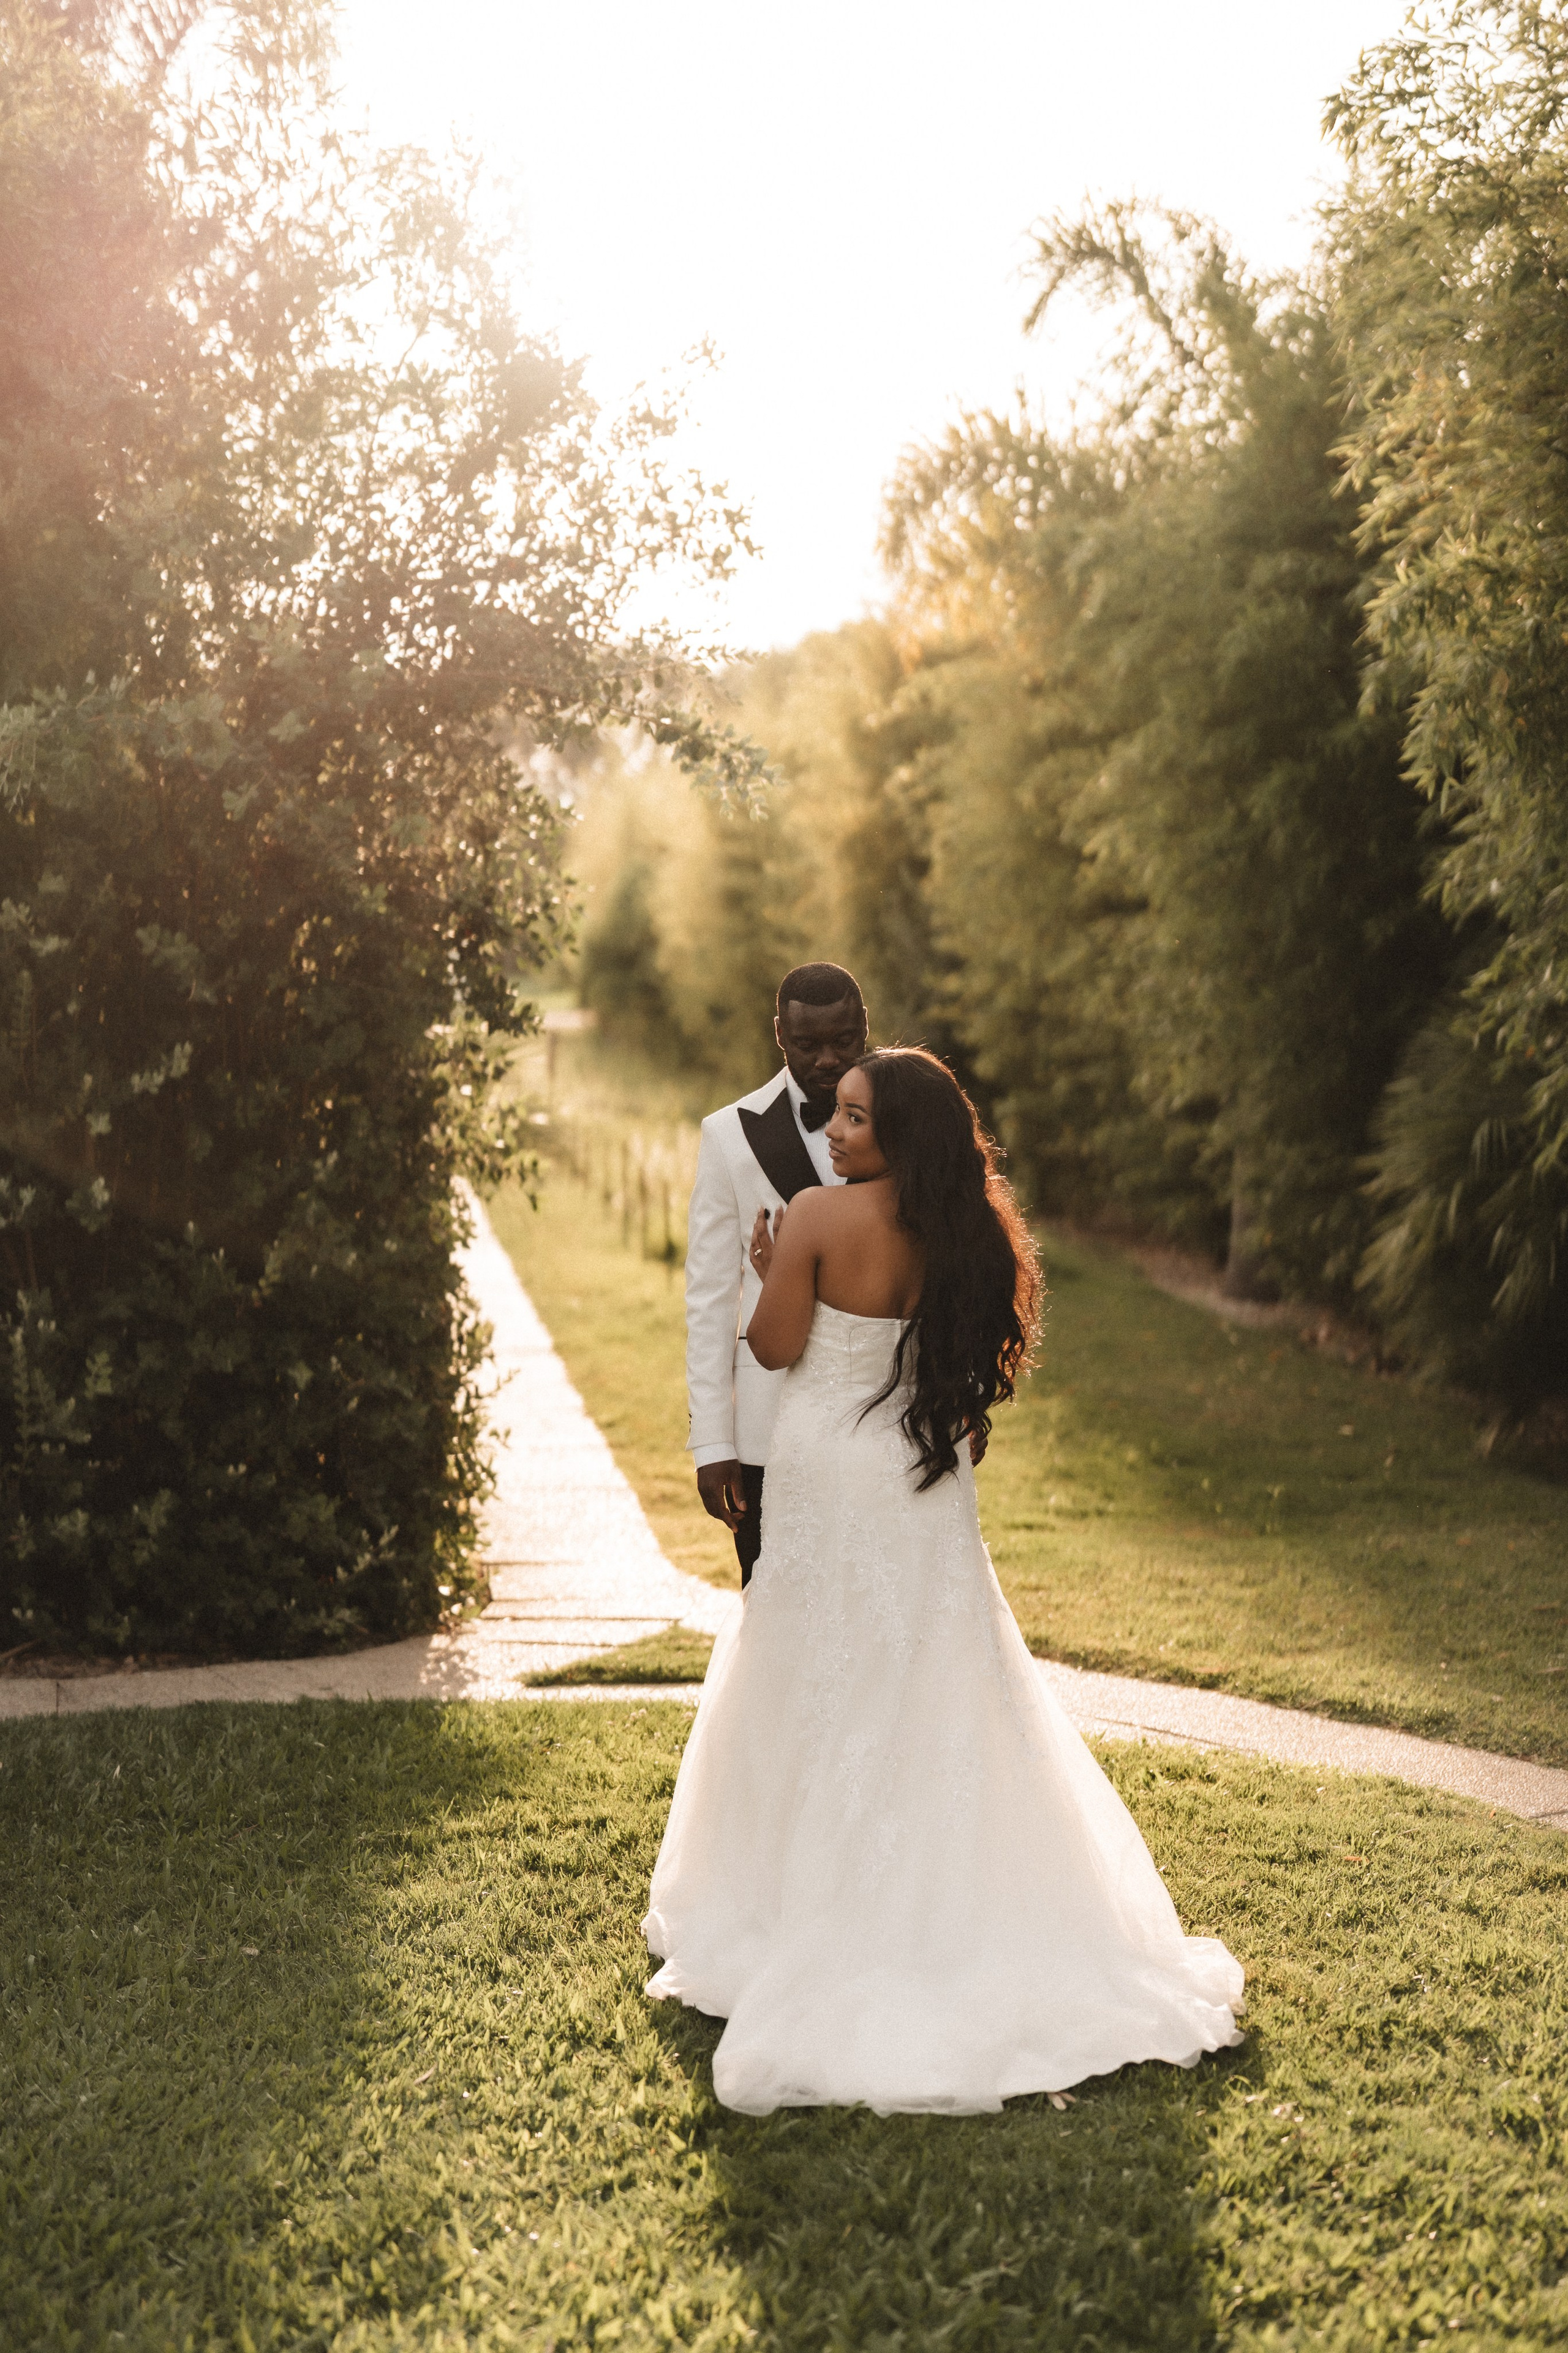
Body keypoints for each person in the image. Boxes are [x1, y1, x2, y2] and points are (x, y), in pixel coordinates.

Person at [644, 1046, 1245, 2116]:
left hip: (831, 1472)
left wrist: (768, 1261)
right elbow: (963, 1380)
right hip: (922, 1483)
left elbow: (777, 1348)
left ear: (897, 1135)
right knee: (937, 1674)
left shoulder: (821, 1220)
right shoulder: (968, 1232)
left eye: (855, 1120)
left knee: (815, 1667)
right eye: (836, 1116)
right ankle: (968, 1910)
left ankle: (802, 1905)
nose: (833, 1131)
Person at [684, 962, 867, 1585]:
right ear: (778, 1035)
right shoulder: (728, 1136)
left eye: (842, 1041)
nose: (825, 1060)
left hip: (883, 1410)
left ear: (865, 1029)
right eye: (806, 1044)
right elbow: (710, 1301)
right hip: (771, 1423)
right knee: (774, 1611)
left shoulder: (911, 1125)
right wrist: (713, 1444)